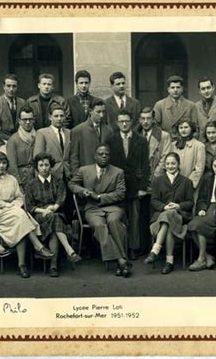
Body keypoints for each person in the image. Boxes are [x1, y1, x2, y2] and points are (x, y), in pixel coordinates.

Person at [0, 152, 55, 278]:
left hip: (13, 212)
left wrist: (13, 205)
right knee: (21, 216)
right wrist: (5, 205)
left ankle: (22, 265)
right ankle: (38, 247)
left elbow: (20, 198)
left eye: (4, 163)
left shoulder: (12, 179)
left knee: (20, 221)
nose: (1, 166)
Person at [69, 144, 132, 277]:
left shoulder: (118, 172)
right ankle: (121, 260)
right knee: (99, 225)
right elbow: (72, 184)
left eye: (107, 154)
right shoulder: (84, 170)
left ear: (110, 156)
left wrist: (100, 197)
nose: (104, 156)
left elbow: (120, 193)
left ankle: (119, 260)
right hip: (92, 209)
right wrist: (83, 191)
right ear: (95, 156)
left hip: (113, 207)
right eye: (101, 154)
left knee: (114, 221)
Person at [25, 153, 83, 277]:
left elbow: (61, 198)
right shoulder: (31, 184)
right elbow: (29, 206)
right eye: (41, 165)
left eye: (46, 164)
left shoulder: (58, 181)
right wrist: (43, 211)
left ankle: (54, 265)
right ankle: (65, 254)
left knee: (55, 219)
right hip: (39, 216)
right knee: (55, 220)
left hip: (56, 212)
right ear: (36, 167)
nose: (44, 168)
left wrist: (54, 207)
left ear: (50, 166)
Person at [105, 110, 150, 260]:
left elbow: (145, 165)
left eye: (127, 121)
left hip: (134, 186)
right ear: (117, 123)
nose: (124, 124)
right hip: (117, 186)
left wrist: (143, 187)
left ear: (132, 122)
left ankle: (133, 247)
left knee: (134, 219)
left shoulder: (141, 140)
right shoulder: (110, 140)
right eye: (121, 121)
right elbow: (108, 164)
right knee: (118, 218)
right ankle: (120, 248)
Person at [143, 152, 194, 274]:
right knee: (168, 217)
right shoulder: (158, 180)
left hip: (179, 216)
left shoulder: (186, 182)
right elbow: (154, 200)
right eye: (168, 164)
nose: (170, 166)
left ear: (178, 164)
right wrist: (164, 207)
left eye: (173, 163)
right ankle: (169, 262)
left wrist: (178, 206)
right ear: (164, 165)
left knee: (171, 215)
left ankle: (155, 250)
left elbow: (190, 202)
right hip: (161, 217)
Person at [134, 106, 171, 254]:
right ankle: (142, 246)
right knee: (140, 214)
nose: (145, 121)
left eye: (148, 118)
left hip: (156, 179)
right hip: (139, 180)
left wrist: (152, 177)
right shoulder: (134, 134)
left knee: (156, 211)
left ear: (154, 119)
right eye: (142, 118)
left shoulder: (163, 136)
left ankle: (157, 247)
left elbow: (165, 158)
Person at [69, 99, 113, 175]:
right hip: (86, 174)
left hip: (105, 174)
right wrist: (76, 175)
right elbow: (74, 157)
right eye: (98, 112)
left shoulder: (109, 130)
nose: (101, 115)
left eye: (103, 112)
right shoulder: (78, 130)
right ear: (90, 111)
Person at [0, 73, 26, 139]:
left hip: (18, 140)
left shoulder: (22, 102)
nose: (11, 89)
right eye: (8, 86)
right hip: (1, 140)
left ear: (17, 87)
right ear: (4, 86)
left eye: (14, 86)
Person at [6, 104, 37, 188]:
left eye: (30, 119)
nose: (27, 122)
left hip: (37, 177)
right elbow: (12, 166)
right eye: (24, 119)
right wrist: (18, 183)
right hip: (22, 179)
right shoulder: (13, 140)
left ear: (34, 120)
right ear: (19, 121)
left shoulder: (38, 136)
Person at [169, 119, 206, 189]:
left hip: (190, 185)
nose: (183, 130)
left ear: (191, 129)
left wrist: (188, 184)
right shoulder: (173, 145)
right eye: (181, 128)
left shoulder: (199, 146)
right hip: (175, 184)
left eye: (186, 127)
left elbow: (199, 168)